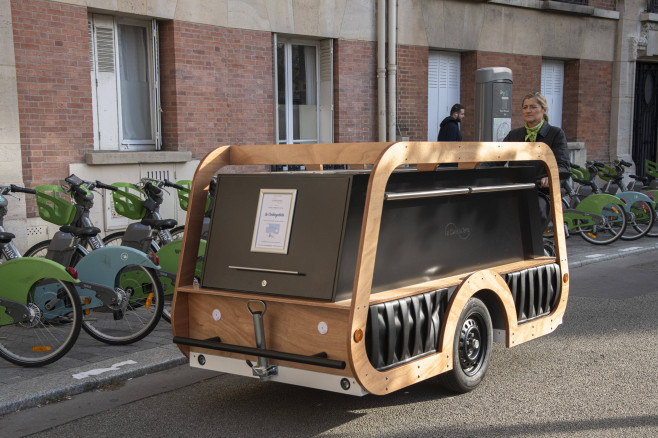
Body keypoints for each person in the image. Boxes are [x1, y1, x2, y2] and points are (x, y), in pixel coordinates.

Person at [504, 92, 571, 245]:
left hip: (542, 192)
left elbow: (563, 165)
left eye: (533, 107)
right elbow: (495, 158)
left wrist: (550, 175)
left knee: (532, 217)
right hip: (517, 190)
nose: (528, 111)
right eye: (525, 107)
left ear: (544, 110)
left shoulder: (556, 134)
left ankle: (528, 249)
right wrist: (478, 169)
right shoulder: (514, 135)